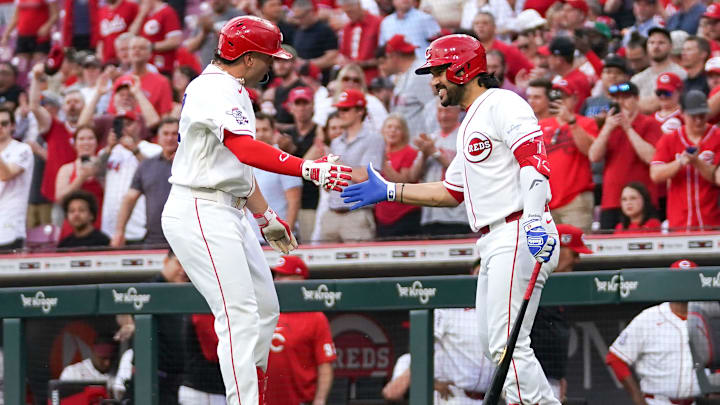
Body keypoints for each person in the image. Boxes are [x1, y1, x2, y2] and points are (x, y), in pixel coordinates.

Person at [342, 34, 560, 405]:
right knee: (497, 346)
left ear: (462, 68)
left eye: (439, 71)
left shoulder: (502, 102)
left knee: (509, 344)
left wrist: (536, 219)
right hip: (495, 237)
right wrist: (392, 190)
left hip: (520, 227)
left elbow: (535, 161)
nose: (433, 81)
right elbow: (450, 191)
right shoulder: (472, 121)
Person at [160, 16, 351, 405]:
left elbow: (238, 168)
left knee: (266, 308)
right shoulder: (214, 88)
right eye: (268, 57)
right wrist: (309, 167)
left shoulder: (234, 89)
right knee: (239, 314)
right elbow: (246, 150)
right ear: (247, 58)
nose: (273, 65)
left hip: (228, 207)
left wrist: (265, 217)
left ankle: (253, 395)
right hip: (200, 206)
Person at [382, 259, 497, 403]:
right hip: (453, 396)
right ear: (471, 275)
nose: (482, 278)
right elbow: (422, 347)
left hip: (489, 397)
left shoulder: (501, 310)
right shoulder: (450, 307)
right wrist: (430, 382)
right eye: (479, 273)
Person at [605, 259, 700, 405]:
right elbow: (615, 358)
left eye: (689, 280)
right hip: (657, 401)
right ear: (670, 283)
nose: (684, 285)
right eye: (679, 280)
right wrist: (637, 398)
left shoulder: (706, 317)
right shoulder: (649, 317)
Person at [588, 81, 662, 230]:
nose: (621, 102)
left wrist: (628, 128)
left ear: (637, 99)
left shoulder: (649, 123)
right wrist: (607, 128)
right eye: (616, 98)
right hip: (611, 200)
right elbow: (594, 156)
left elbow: (651, 157)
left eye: (626, 97)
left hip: (642, 201)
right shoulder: (609, 126)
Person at [530, 224, 592, 402]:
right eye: (575, 253)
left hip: (551, 379)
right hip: (529, 379)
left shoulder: (563, 287)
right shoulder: (528, 280)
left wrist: (559, 375)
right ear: (557, 249)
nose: (578, 260)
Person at [266, 256, 336, 405]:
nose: (276, 280)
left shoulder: (315, 317)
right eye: (276, 276)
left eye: (283, 276)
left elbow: (325, 364)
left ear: (299, 278)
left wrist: (320, 400)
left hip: (300, 400)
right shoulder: (263, 311)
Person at [317, 88, 384, 242]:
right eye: (340, 109)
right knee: (324, 265)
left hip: (357, 215)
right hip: (332, 212)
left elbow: (365, 176)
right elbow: (328, 186)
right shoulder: (336, 141)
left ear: (360, 111)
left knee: (360, 266)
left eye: (346, 109)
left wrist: (336, 165)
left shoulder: (374, 139)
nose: (341, 113)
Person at [650, 90, 720, 230]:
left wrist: (697, 162)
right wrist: (680, 162)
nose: (699, 120)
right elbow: (655, 174)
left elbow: (716, 177)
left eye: (702, 115)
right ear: (682, 112)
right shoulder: (670, 139)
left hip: (712, 220)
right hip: (679, 221)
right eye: (693, 116)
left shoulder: (717, 136)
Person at [539, 80, 597, 231]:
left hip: (575, 199)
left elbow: (590, 151)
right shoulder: (540, 125)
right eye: (556, 97)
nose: (560, 101)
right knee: (548, 251)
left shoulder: (586, 122)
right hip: (546, 202)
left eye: (564, 97)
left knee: (577, 250)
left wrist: (571, 122)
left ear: (575, 99)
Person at [111, 117, 178, 247]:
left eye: (174, 134)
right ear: (158, 137)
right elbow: (129, 199)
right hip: (154, 240)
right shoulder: (146, 165)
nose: (170, 138)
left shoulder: (191, 164)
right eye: (165, 133)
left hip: (186, 239)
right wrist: (119, 231)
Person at [100, 110, 162, 244]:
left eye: (128, 124)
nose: (124, 128)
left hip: (140, 225)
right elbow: (94, 172)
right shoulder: (110, 151)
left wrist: (135, 150)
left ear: (139, 125)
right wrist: (109, 149)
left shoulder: (152, 149)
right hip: (110, 229)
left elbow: (157, 172)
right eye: (120, 125)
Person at [410, 104, 469, 236]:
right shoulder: (431, 138)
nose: (443, 115)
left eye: (447, 111)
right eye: (440, 111)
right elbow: (414, 175)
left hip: (457, 214)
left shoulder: (464, 136)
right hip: (430, 213)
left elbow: (465, 171)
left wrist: (435, 153)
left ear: (457, 112)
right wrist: (425, 154)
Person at [249, 113, 302, 242]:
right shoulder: (245, 161)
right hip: (252, 237)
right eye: (256, 130)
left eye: (265, 129)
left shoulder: (284, 159)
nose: (261, 134)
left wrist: (287, 233)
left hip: (279, 236)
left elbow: (294, 201)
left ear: (274, 131)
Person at [277, 88, 319, 243]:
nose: (302, 107)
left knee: (310, 248)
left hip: (312, 202)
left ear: (312, 106)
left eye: (305, 103)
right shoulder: (288, 135)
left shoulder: (320, 132)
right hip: (288, 204)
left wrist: (293, 152)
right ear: (290, 107)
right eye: (298, 103)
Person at [375, 114, 420, 237]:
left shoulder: (409, 152)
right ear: (382, 130)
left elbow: (403, 182)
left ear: (404, 132)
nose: (392, 131)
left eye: (397, 128)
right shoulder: (377, 152)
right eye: (389, 127)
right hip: (382, 215)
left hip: (405, 215)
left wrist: (383, 163)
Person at [55, 126, 104, 239]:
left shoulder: (104, 167)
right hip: (73, 226)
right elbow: (60, 199)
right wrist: (81, 178)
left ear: (96, 142)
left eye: (90, 138)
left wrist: (99, 173)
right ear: (75, 143)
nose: (86, 142)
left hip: (99, 225)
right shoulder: (66, 169)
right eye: (81, 139)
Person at [631, 27, 688, 113]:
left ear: (671, 46)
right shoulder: (637, 78)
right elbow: (628, 105)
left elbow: (655, 105)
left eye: (661, 43)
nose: (656, 47)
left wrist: (636, 105)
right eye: (651, 42)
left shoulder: (679, 73)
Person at [0, 107, 33, 250]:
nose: (0, 127)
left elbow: (6, 175)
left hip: (10, 225)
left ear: (12, 126)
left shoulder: (22, 149)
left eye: (4, 123)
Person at [183, 0, 240, 67]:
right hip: (208, 69)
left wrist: (213, 30)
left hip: (231, 68)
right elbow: (190, 48)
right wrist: (204, 33)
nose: (215, 1)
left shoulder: (237, 15)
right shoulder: (205, 18)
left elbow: (239, 43)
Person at [337, 0, 381, 83]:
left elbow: (384, 57)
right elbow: (344, 54)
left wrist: (362, 64)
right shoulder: (347, 28)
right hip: (351, 79)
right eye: (346, 12)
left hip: (371, 78)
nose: (348, 15)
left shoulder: (377, 23)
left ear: (358, 6)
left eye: (350, 12)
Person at [135, 0, 183, 75]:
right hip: (145, 68)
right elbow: (131, 35)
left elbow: (175, 41)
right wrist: (141, 15)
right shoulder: (144, 14)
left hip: (163, 67)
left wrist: (149, 47)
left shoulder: (168, 12)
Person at [547, 36, 591, 113]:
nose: (548, 59)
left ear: (559, 59)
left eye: (550, 56)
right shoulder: (581, 75)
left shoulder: (565, 84)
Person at [97, 0, 139, 64]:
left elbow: (137, 32)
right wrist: (100, 56)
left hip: (126, 59)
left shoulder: (131, 6)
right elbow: (101, 38)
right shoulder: (101, 10)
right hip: (107, 61)